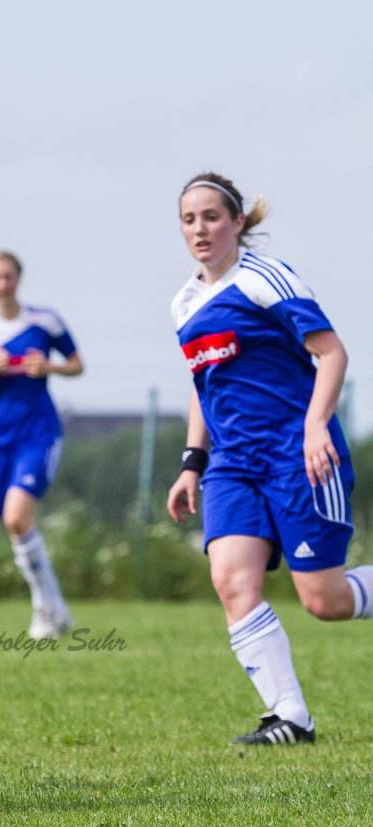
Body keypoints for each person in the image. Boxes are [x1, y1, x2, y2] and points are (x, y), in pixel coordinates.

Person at [165, 172, 373, 745]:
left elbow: (331, 352)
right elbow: (203, 383)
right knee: (231, 580)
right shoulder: (184, 303)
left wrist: (313, 426)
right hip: (233, 464)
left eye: (211, 216)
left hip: (298, 455)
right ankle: (290, 717)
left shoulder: (265, 279)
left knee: (324, 601)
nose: (200, 229)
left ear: (237, 223)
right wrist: (192, 461)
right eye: (189, 219)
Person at [0, 252, 83, 638]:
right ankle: (55, 609)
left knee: (17, 517)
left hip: (39, 431)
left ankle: (45, 612)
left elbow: (76, 363)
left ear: (19, 278)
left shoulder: (44, 321)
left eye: (9, 276)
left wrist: (49, 367)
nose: (3, 283)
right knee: (15, 526)